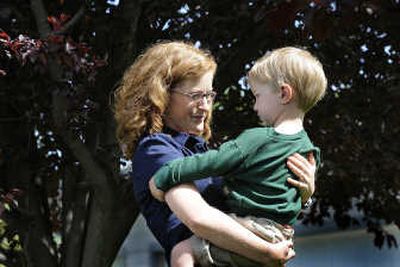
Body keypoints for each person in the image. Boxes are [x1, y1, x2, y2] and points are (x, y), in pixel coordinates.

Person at [114, 41, 317, 267]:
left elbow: (260, 200)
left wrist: (304, 194)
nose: (205, 106)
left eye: (209, 95)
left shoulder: (200, 149)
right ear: (161, 95)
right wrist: (267, 252)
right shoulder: (156, 149)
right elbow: (199, 218)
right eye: (196, 95)